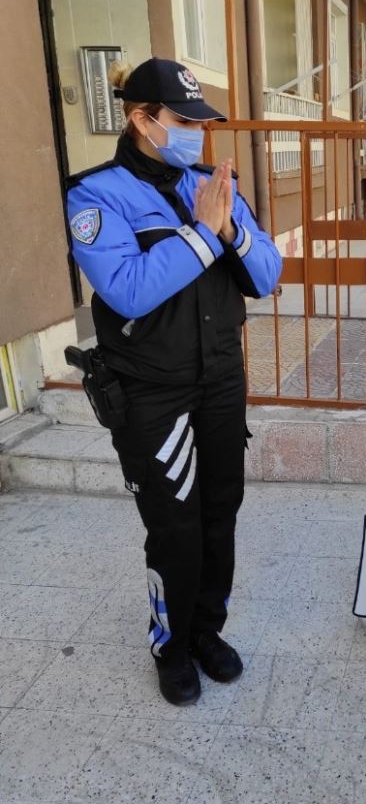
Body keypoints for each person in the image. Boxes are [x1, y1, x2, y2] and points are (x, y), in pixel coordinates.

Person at [66, 58, 282, 706]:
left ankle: (206, 631)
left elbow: (267, 273)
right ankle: (170, 644)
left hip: (219, 379)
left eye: (202, 122)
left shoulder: (210, 184)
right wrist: (203, 233)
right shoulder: (94, 192)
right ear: (141, 119)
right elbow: (129, 290)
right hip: (151, 393)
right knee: (175, 528)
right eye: (184, 121)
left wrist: (231, 227)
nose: (197, 133)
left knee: (221, 517)